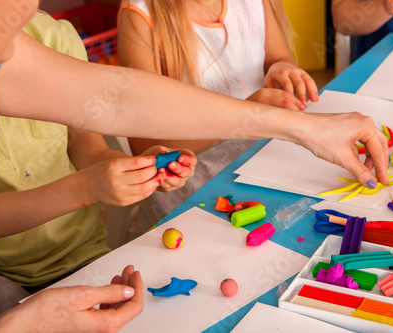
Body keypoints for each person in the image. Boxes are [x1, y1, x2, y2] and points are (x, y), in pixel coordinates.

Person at [0, 0, 389, 330]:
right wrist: (85, 188)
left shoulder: (18, 45)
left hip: (82, 254)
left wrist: (301, 126)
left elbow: (116, 101)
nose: (28, 8)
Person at [0, 11, 197, 328]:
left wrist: (135, 169)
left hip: (79, 253)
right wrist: (85, 188)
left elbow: (90, 151)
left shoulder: (55, 38)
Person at [119, 0, 321, 220]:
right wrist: (245, 116)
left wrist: (282, 67)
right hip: (195, 182)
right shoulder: (140, 15)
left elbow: (278, 56)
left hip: (263, 154)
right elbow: (147, 149)